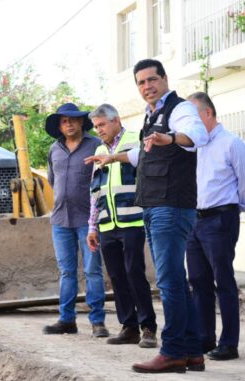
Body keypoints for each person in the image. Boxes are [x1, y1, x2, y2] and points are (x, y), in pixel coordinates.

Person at [85, 59, 208, 373]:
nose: (146, 86)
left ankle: (172, 351)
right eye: (140, 82)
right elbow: (142, 153)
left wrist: (171, 138)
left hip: (171, 204)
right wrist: (113, 157)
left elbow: (197, 135)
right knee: (176, 281)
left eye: (152, 79)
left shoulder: (180, 110)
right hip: (153, 206)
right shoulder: (151, 115)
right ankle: (192, 351)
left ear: (165, 79)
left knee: (168, 282)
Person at [186, 92, 245, 361]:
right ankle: (205, 338)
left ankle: (229, 343)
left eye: (193, 117)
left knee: (223, 280)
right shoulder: (194, 147)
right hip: (195, 220)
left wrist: (234, 210)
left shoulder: (231, 143)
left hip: (220, 219)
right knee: (198, 281)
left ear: (207, 113)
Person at [85, 104, 157, 348]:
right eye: (95, 127)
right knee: (116, 276)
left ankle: (148, 327)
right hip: (107, 225)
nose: (99, 130)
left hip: (132, 221)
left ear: (115, 120)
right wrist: (92, 227)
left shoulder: (134, 141)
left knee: (134, 273)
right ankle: (129, 326)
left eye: (102, 125)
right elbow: (95, 192)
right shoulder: (98, 149)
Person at [43, 103, 109, 338]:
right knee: (66, 272)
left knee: (92, 270)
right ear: (59, 126)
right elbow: (53, 180)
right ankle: (66, 319)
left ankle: (97, 322)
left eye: (72, 120)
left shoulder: (96, 146)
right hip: (60, 220)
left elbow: (103, 181)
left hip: (87, 220)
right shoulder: (54, 149)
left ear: (81, 122)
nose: (68, 124)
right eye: (63, 121)